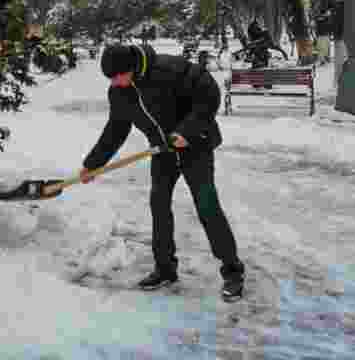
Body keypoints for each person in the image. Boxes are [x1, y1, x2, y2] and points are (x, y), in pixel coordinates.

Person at [79, 43, 247, 301]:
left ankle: (233, 270)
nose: (114, 83)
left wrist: (186, 130)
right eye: (110, 79)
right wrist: (93, 164)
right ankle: (165, 268)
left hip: (196, 144)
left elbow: (209, 94)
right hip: (162, 151)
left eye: (117, 76)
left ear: (130, 68)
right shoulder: (119, 93)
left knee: (206, 204)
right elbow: (115, 131)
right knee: (159, 204)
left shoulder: (169, 69)